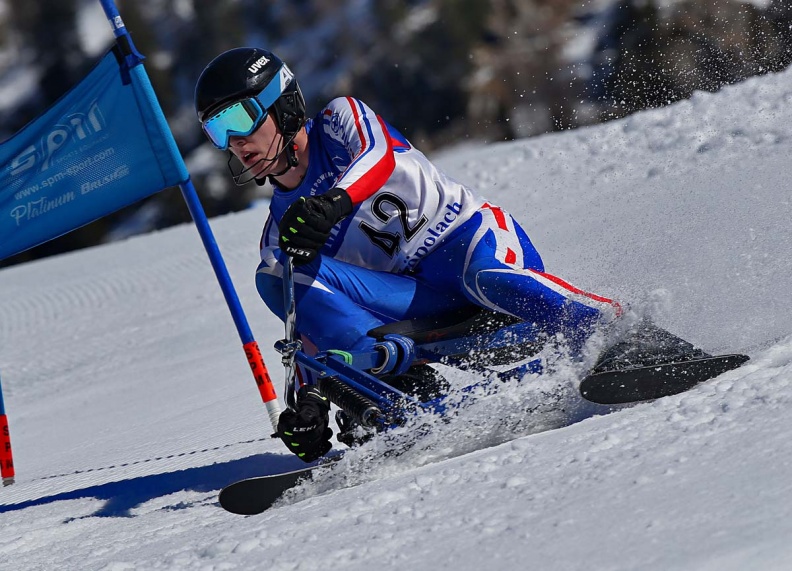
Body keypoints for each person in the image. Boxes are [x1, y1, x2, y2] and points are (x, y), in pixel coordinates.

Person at [194, 48, 623, 462]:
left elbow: (377, 156)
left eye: (238, 119)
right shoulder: (281, 228)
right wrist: (310, 399)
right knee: (278, 272)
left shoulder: (339, 120)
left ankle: (615, 330)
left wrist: (336, 202)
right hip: (418, 302)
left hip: (469, 244)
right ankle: (399, 396)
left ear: (282, 106)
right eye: (217, 131)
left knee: (487, 277)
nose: (234, 142)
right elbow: (307, 317)